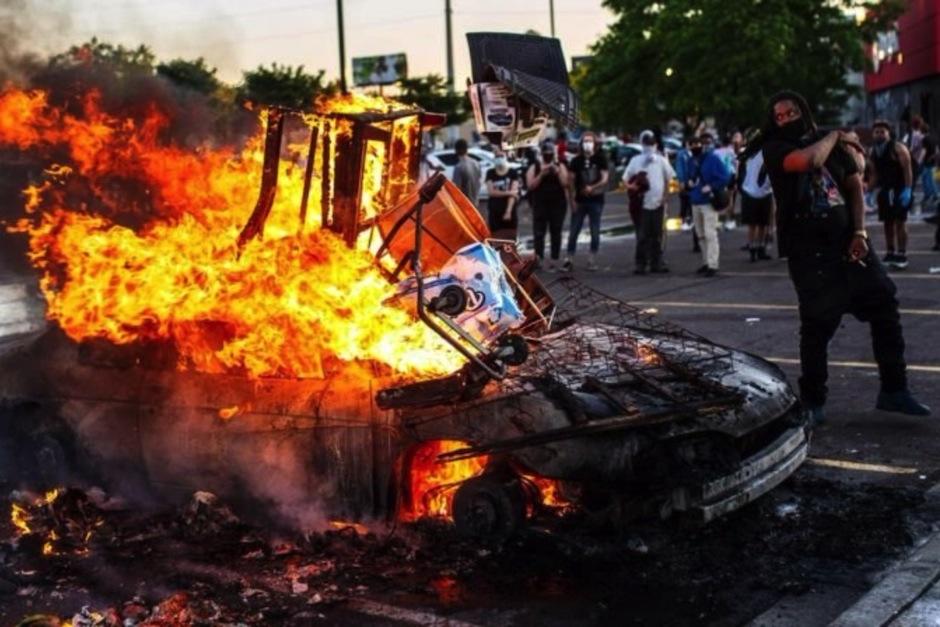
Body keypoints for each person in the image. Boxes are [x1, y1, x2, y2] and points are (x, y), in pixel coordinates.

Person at [758, 90, 929, 424]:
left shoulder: (828, 145)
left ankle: (894, 389)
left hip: (847, 244)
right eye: (779, 116)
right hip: (809, 253)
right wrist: (836, 135)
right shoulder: (776, 148)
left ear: (803, 112)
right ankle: (813, 401)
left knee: (885, 304)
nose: (785, 119)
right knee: (817, 324)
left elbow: (854, 186)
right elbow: (809, 162)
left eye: (791, 112)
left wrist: (860, 232)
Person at [624, 130, 675, 274]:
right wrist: (632, 187)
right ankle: (640, 263)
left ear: (656, 145)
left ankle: (656, 262)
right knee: (642, 235)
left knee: (657, 234)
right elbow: (626, 178)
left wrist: (665, 197)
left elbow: (668, 179)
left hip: (658, 203)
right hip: (642, 203)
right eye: (646, 144)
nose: (649, 147)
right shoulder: (636, 161)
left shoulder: (661, 161)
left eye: (651, 144)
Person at [869, 120, 913, 270]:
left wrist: (908, 189)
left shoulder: (898, 147)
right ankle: (890, 252)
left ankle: (902, 254)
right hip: (886, 191)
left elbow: (907, 169)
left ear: (888, 133)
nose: (880, 134)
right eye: (877, 132)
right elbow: (875, 174)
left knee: (900, 222)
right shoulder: (873, 151)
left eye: (883, 131)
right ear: (873, 134)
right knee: (887, 223)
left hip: (900, 189)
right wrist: (866, 190)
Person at [563, 131, 609, 272]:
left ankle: (591, 259)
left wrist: (592, 187)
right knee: (574, 230)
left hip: (596, 200)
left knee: (595, 230)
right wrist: (572, 200)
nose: (587, 144)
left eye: (590, 141)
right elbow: (570, 181)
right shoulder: (576, 161)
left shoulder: (601, 159)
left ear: (595, 144)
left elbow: (605, 178)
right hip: (580, 201)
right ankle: (569, 259)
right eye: (585, 141)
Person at [688, 132, 731, 277]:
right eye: (692, 145)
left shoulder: (712, 159)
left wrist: (712, 186)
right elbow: (691, 176)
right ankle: (705, 262)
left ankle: (713, 263)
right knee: (700, 234)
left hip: (708, 201)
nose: (695, 147)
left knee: (710, 233)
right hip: (695, 200)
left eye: (697, 145)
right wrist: (690, 182)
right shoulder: (692, 160)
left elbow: (725, 177)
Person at [527, 140, 569, 270]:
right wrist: (541, 174)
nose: (548, 156)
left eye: (550, 154)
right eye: (546, 154)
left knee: (556, 231)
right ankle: (539, 259)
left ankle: (554, 259)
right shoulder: (535, 167)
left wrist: (556, 172)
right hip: (540, 204)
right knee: (539, 232)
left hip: (557, 204)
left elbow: (565, 183)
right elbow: (530, 185)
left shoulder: (559, 165)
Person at [738, 149, 774, 261]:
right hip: (751, 190)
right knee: (753, 224)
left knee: (763, 223)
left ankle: (760, 248)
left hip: (764, 191)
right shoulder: (750, 155)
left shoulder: (769, 154)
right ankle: (753, 249)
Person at [484, 149, 521, 239]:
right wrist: (509, 192)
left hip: (509, 214)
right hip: (495, 214)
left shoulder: (512, 172)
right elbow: (491, 192)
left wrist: (508, 212)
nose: (499, 158)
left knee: (510, 241)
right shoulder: (490, 173)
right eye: (497, 156)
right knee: (496, 240)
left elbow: (513, 194)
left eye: (501, 156)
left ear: (506, 156)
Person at [452, 138, 481, 208]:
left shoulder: (459, 167)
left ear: (456, 151)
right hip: (475, 201)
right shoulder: (476, 163)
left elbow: (457, 189)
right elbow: (479, 181)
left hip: (465, 204)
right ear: (466, 149)